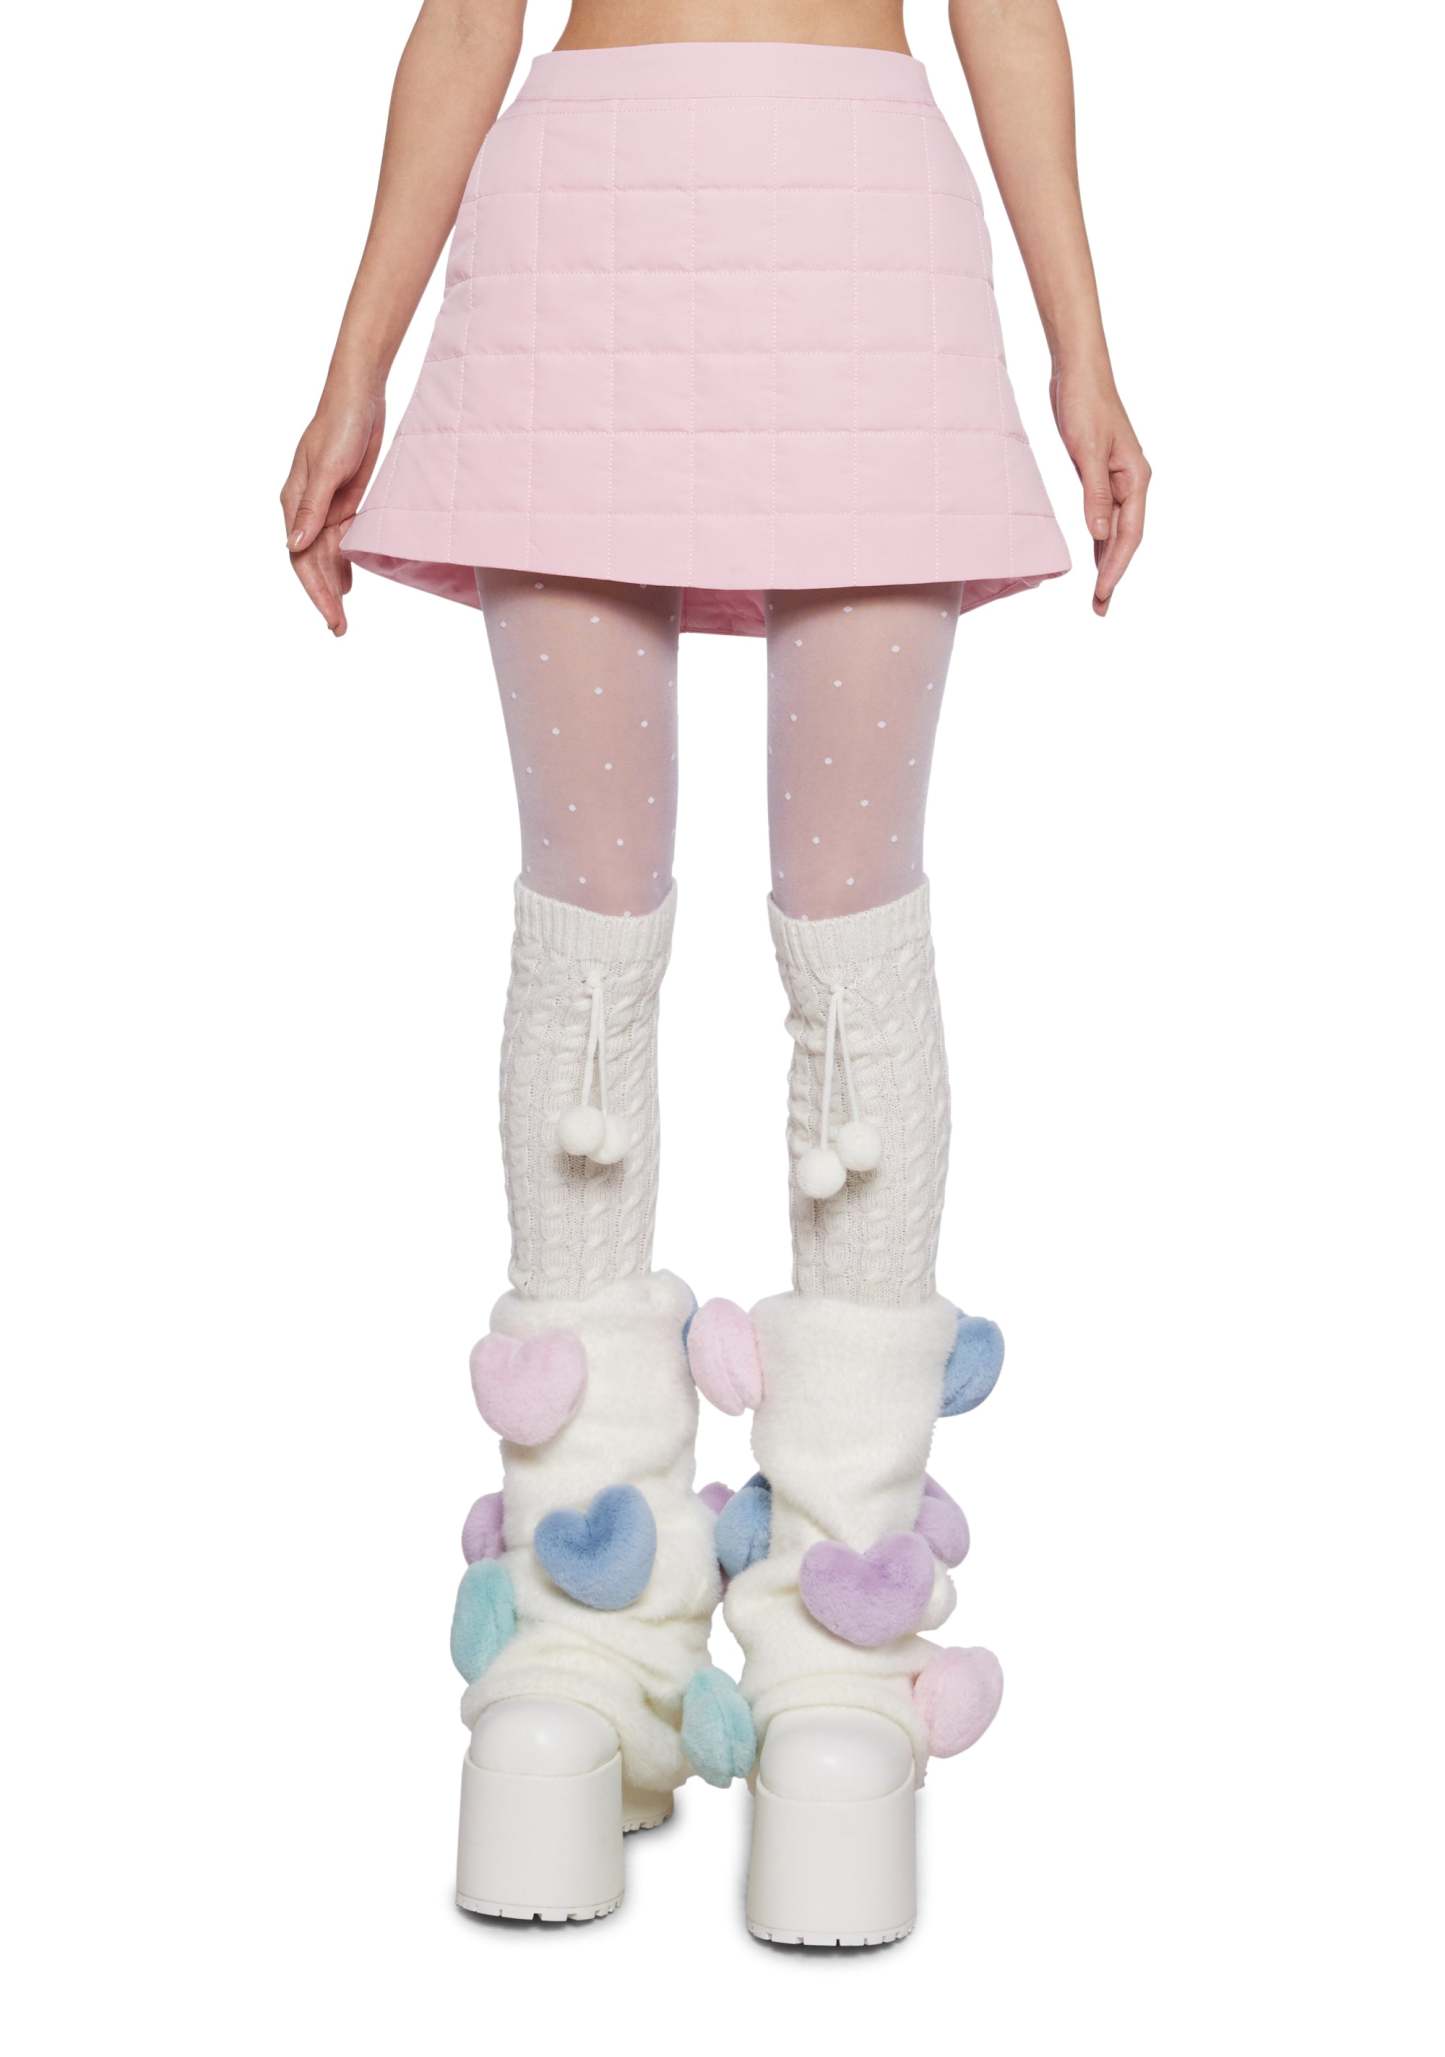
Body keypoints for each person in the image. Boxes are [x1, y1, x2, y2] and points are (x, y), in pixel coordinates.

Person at [282, 0, 1148, 1944]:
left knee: (812, 939)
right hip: (620, 243)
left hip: (825, 250)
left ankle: (748, 1651)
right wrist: (356, 365)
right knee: (625, 937)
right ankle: (635, 1644)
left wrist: (1080, 348)